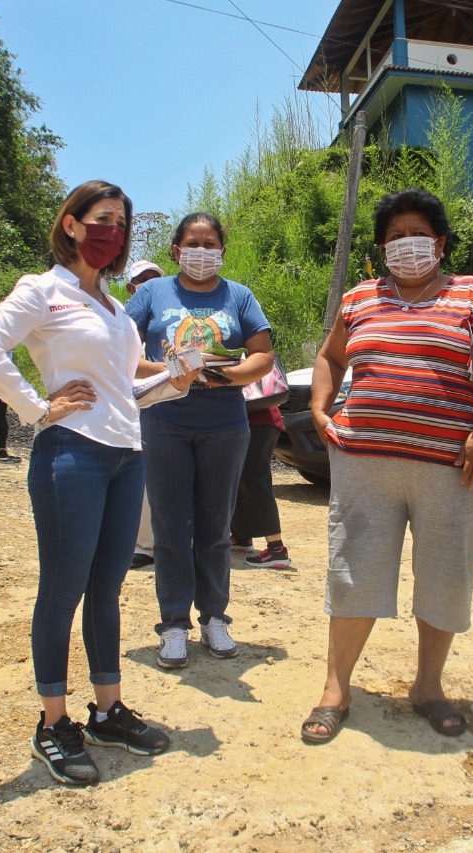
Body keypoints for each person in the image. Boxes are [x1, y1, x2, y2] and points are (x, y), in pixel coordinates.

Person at [0, 180, 198, 787]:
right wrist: (36, 406)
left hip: (126, 455)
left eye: (121, 222)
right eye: (101, 219)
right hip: (72, 453)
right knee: (63, 588)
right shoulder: (44, 290)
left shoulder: (116, 308)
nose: (112, 232)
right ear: (70, 225)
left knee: (108, 589)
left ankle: (106, 709)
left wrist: (177, 378)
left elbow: (128, 389)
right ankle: (53, 724)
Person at [301, 188, 473, 745]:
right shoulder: (360, 298)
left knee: (445, 576)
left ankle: (428, 687)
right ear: (382, 247)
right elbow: (328, 356)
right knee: (354, 572)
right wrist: (320, 411)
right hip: (364, 465)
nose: (406, 245)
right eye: (395, 237)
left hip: (452, 468)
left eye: (417, 234)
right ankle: (336, 689)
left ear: (440, 243)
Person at [126, 213, 276, 669]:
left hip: (225, 427)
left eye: (210, 244)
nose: (201, 251)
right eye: (192, 243)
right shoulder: (151, 293)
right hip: (165, 423)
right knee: (171, 529)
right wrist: (174, 372)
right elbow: (122, 352)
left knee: (215, 530)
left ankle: (215, 617)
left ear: (222, 251)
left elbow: (264, 356)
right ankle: (173, 624)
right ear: (176, 251)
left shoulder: (239, 295)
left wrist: (219, 377)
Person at [125, 259, 165, 569]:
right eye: (142, 280)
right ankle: (142, 544)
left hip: (166, 409)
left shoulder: (164, 321)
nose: (148, 285)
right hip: (130, 412)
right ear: (130, 287)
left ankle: (156, 543)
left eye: (154, 280)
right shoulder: (122, 321)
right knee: (137, 484)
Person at [230, 403, 291, 568]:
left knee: (255, 480)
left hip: (255, 419)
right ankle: (241, 537)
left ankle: (276, 548)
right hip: (256, 418)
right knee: (241, 479)